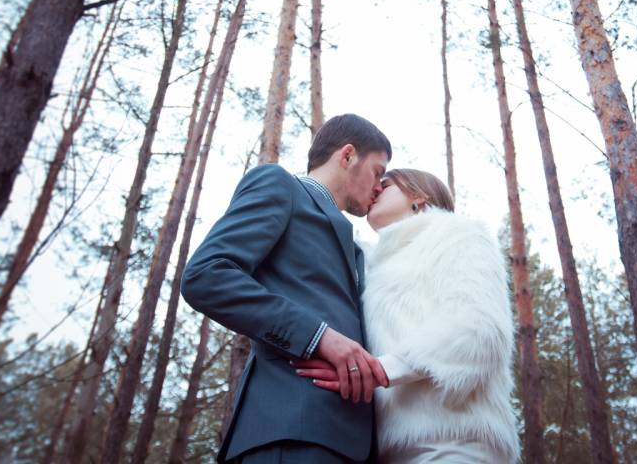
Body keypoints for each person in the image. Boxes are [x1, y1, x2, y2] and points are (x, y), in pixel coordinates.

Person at [181, 113, 393, 463]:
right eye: (377, 171)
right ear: (347, 155)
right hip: (290, 431)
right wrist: (319, 337)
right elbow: (207, 275)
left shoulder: (358, 251)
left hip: (351, 444)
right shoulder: (280, 185)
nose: (379, 187)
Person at [294, 169, 521, 463]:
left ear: (418, 197)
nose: (375, 189)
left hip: (457, 442)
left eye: (385, 184)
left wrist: (380, 369)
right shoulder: (369, 262)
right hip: (386, 451)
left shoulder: (459, 236)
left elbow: (480, 330)